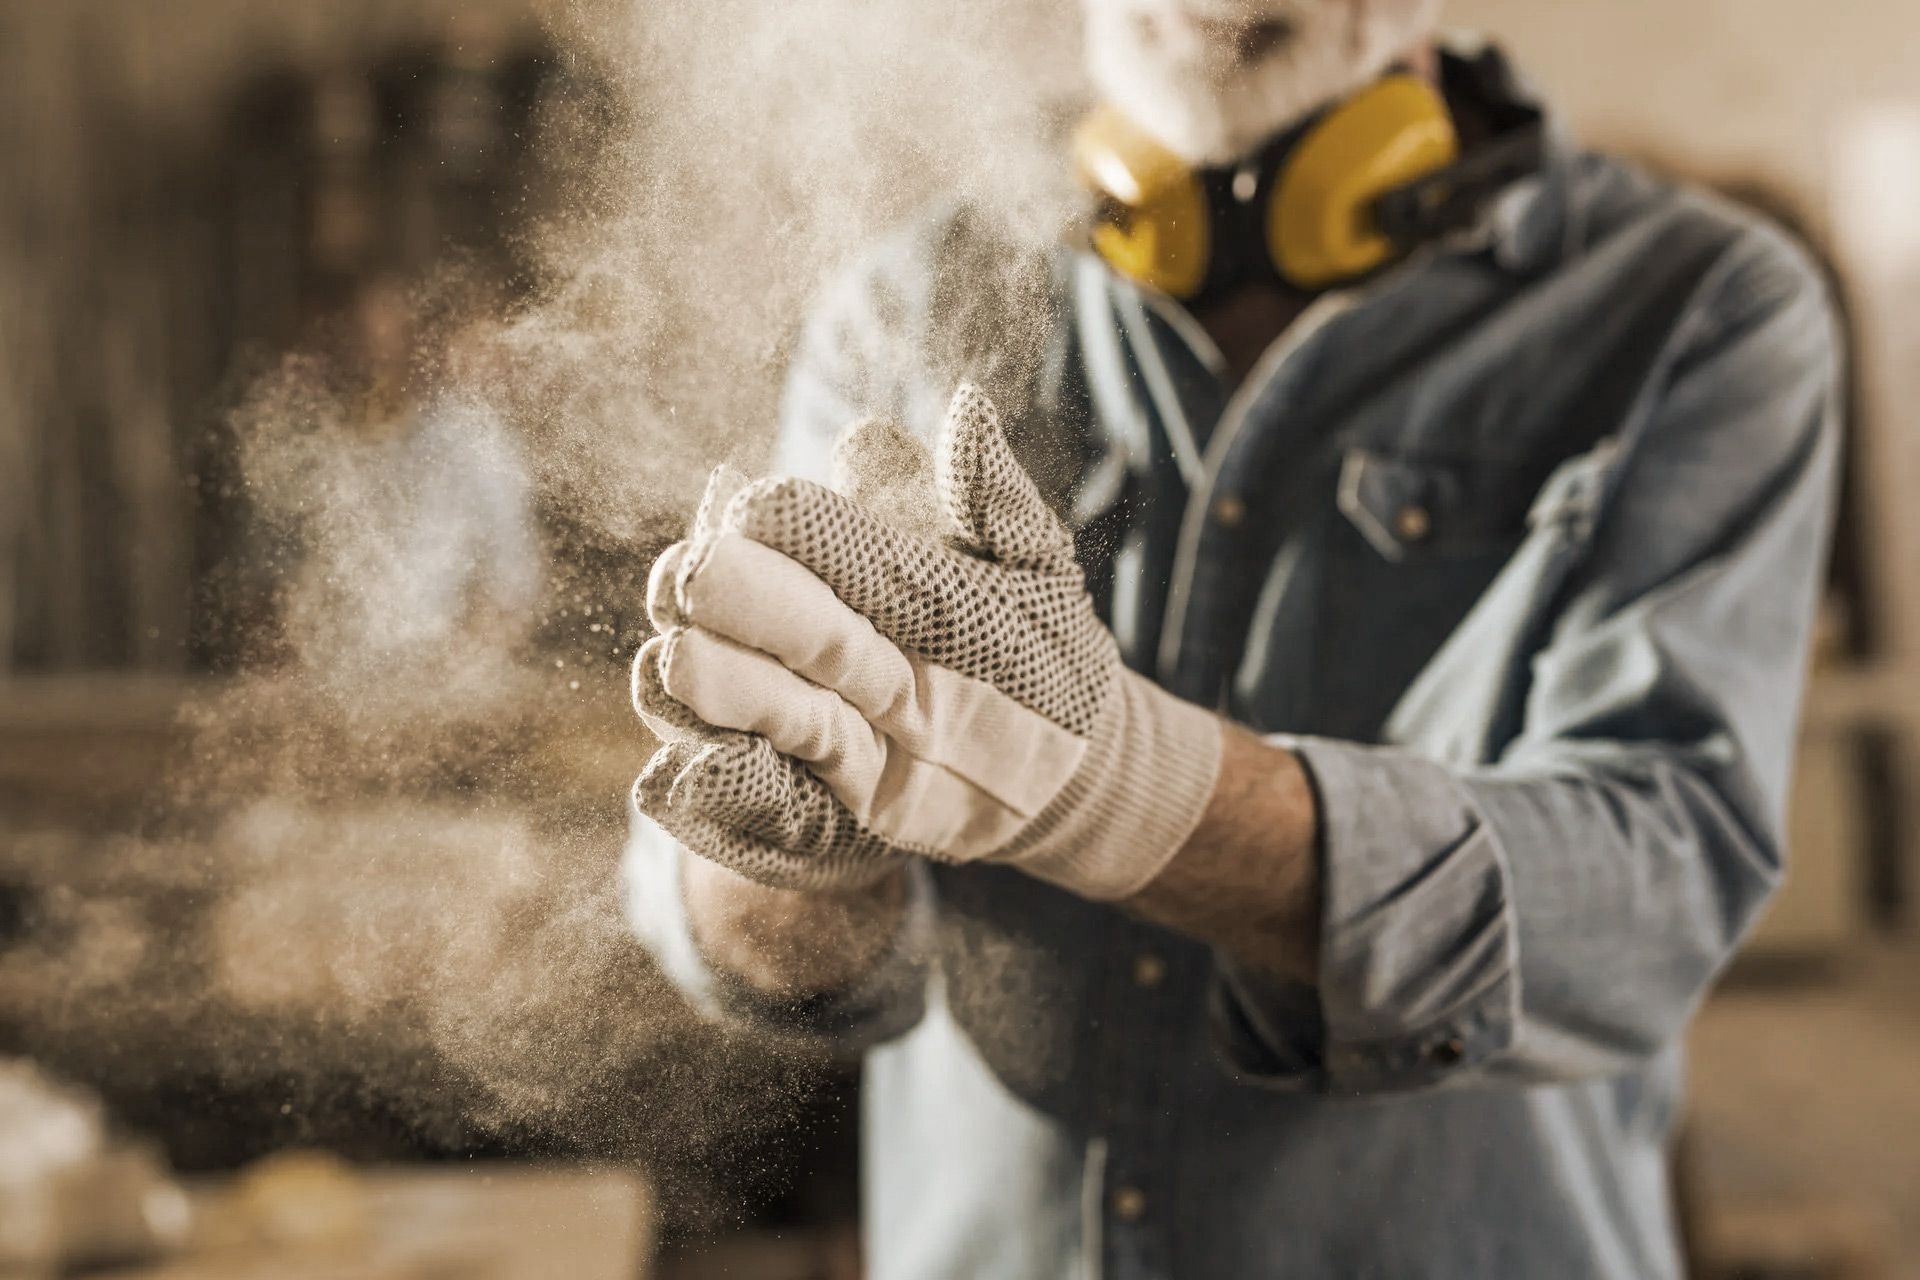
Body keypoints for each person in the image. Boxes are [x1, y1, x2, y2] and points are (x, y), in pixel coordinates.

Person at [623, 2, 1841, 1276]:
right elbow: (738, 921)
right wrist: (789, 860)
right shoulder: (909, 300)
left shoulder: (1700, 311)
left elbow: (1651, 902)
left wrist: (1112, 784)